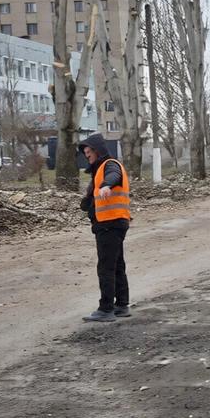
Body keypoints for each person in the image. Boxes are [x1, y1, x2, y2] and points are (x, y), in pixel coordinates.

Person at [78, 133, 132, 322]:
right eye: (85, 153)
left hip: (109, 223)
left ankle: (106, 308)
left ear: (97, 150)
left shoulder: (110, 165)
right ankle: (122, 305)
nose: (87, 156)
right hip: (113, 223)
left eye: (89, 152)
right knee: (117, 265)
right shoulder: (99, 170)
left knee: (106, 267)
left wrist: (106, 185)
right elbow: (93, 196)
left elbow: (114, 176)